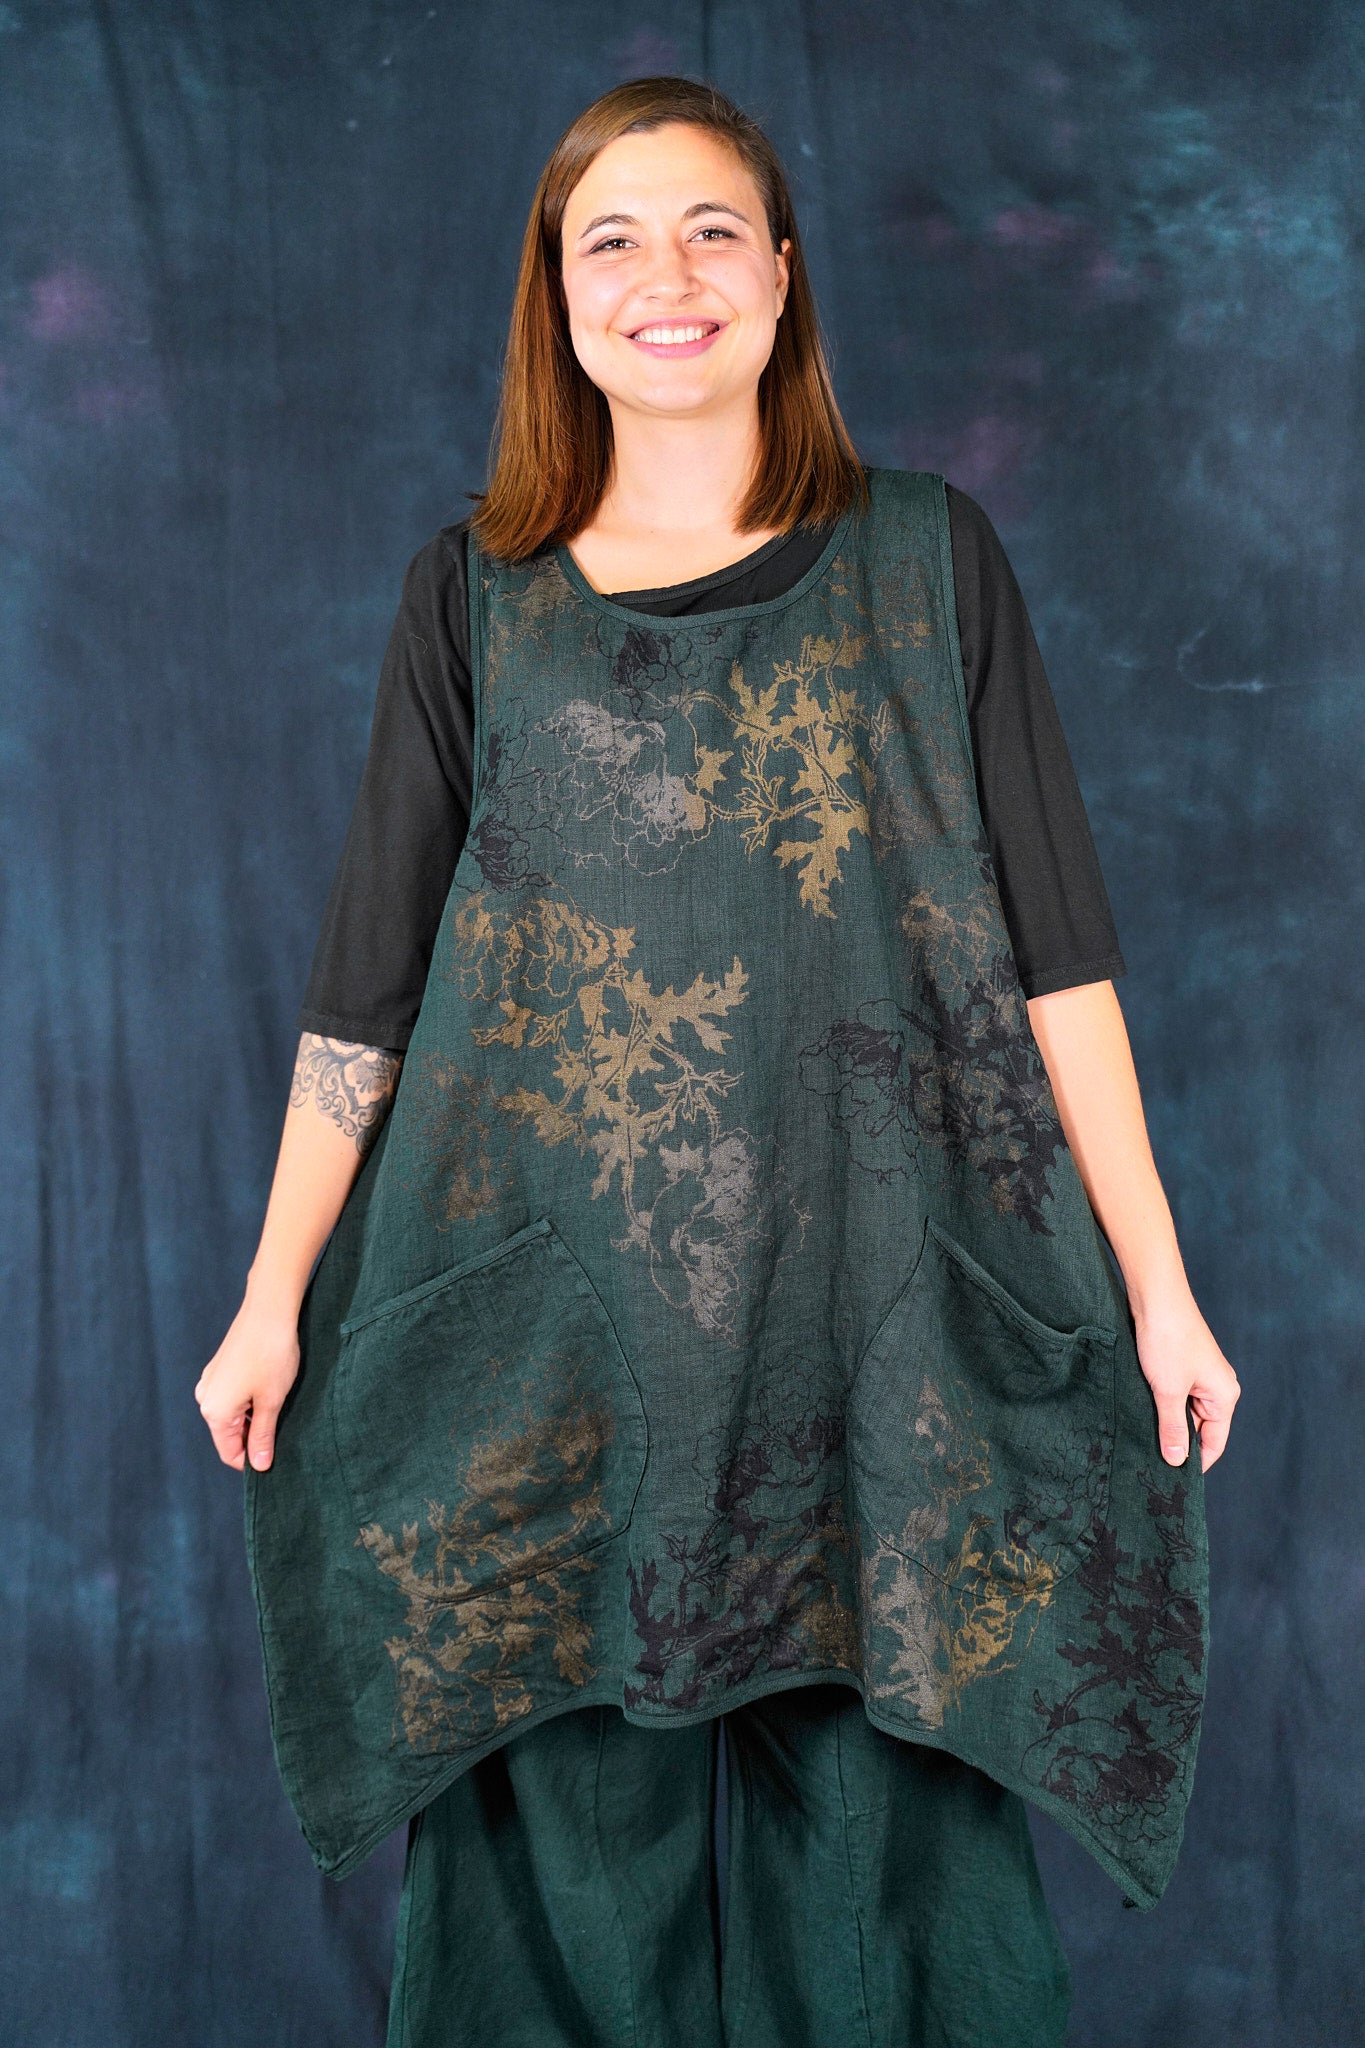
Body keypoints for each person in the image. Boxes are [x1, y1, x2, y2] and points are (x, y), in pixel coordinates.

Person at [196, 75, 1239, 2048]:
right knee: (553, 1860)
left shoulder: (927, 563)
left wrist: (1158, 1289)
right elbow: (366, 989)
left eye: (706, 231)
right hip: (551, 1353)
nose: (661, 275)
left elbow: (1058, 962)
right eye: (610, 238)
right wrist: (270, 1299)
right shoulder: (473, 597)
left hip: (880, 1335)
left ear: (778, 277)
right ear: (555, 296)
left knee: (892, 1864)